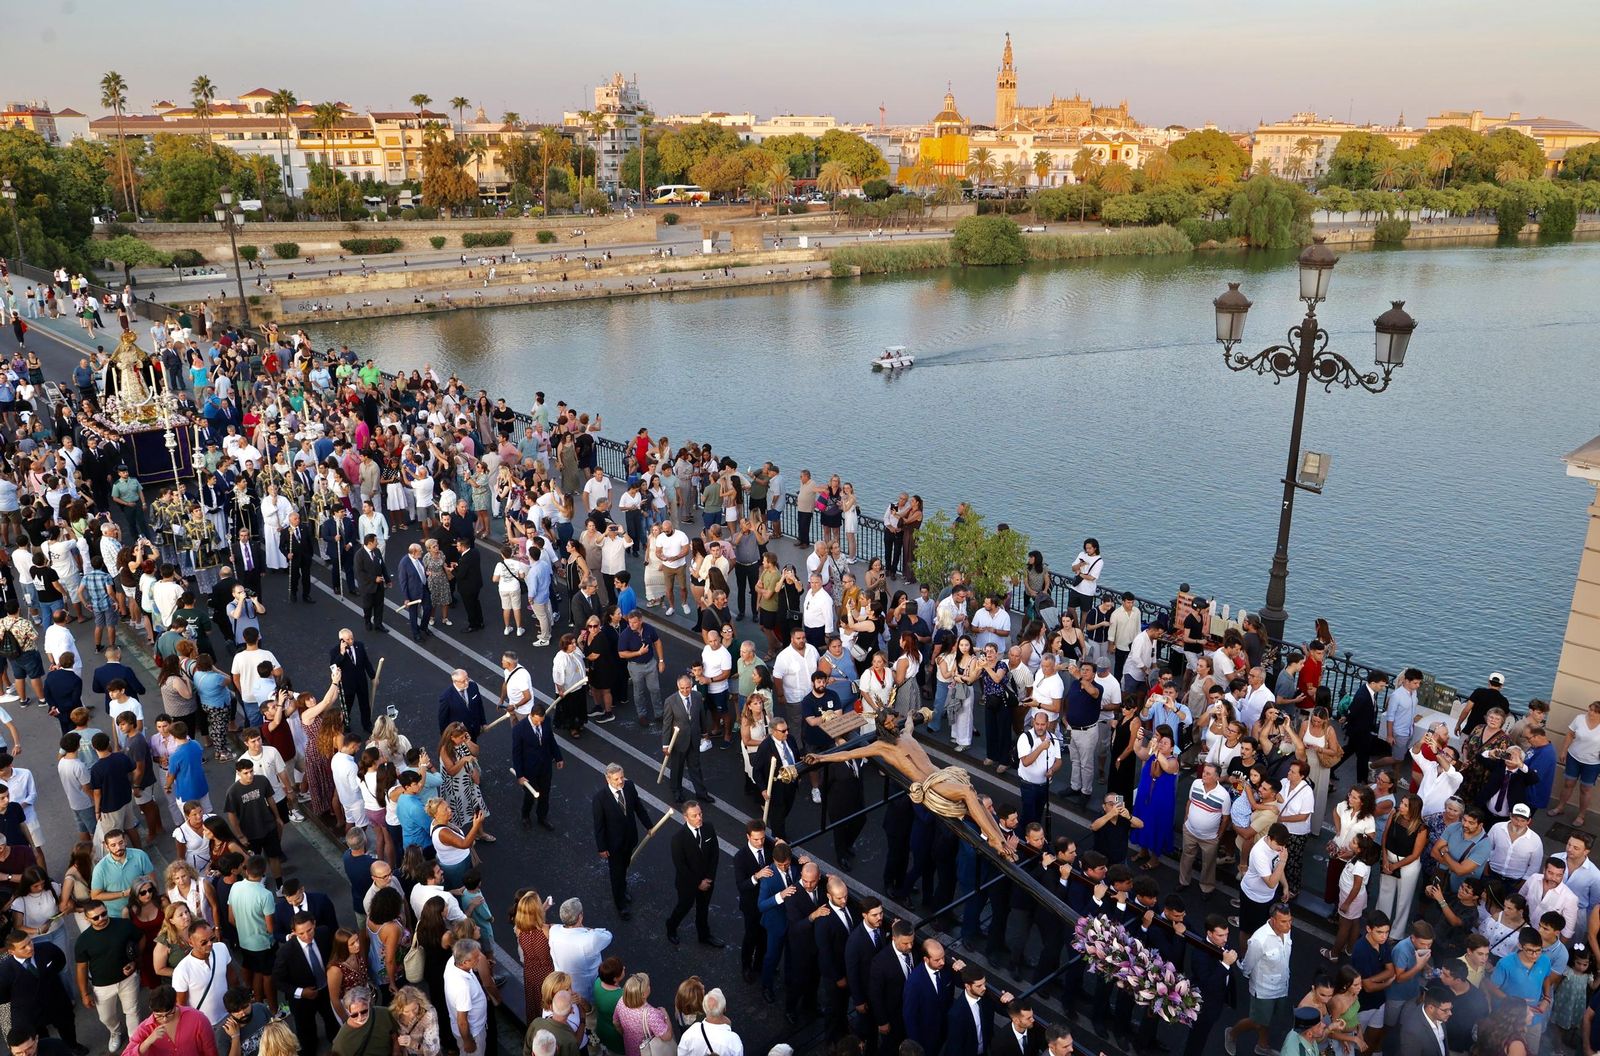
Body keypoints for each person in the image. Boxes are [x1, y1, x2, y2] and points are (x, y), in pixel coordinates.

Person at [74, 898, 142, 1053]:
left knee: (132, 1011)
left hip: (128, 979)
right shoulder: (83, 941)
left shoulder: (124, 925)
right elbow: (81, 968)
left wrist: (135, 962)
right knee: (106, 1017)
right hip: (102, 986)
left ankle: (135, 1042)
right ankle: (115, 1032)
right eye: (96, 917)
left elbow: (140, 939)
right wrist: (85, 993)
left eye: (104, 914)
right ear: (87, 919)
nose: (101, 919)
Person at [1227, 903, 1295, 1056]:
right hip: (1264, 990)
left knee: (1267, 1018)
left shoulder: (1286, 931)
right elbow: (1247, 966)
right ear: (1272, 920)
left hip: (1282, 986)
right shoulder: (1259, 940)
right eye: (1284, 922)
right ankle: (1232, 1034)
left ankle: (1262, 1045)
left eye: (1290, 920)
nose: (1288, 925)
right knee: (1257, 1021)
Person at [273, 911, 339, 1055]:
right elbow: (278, 980)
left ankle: (338, 1045)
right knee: (306, 1032)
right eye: (301, 933)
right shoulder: (285, 952)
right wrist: (301, 992)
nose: (307, 936)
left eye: (309, 930)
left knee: (332, 1020)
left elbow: (334, 953)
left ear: (314, 924)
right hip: (302, 1000)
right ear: (294, 932)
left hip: (326, 990)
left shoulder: (324, 934)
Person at [666, 801, 724, 948]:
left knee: (703, 909)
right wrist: (699, 883)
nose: (699, 818)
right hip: (687, 884)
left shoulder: (709, 828)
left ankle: (704, 935)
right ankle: (671, 927)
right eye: (694, 816)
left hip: (707, 880)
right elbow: (681, 866)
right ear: (686, 817)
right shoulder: (677, 839)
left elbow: (714, 855)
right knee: (684, 907)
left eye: (700, 814)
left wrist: (709, 878)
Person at [124, 984, 220, 1056]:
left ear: (175, 1003)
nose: (165, 1019)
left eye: (169, 1014)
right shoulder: (145, 1029)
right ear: (151, 1009)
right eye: (159, 1015)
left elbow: (210, 1049)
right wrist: (147, 1041)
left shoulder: (198, 1018)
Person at [512, 702, 564, 830]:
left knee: (545, 793)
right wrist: (520, 775)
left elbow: (551, 740)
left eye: (541, 721)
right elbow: (516, 754)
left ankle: (542, 817)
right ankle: (525, 816)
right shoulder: (519, 729)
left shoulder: (546, 721)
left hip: (545, 766)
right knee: (530, 795)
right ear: (531, 715)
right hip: (529, 769)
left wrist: (558, 757)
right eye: (536, 721)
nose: (539, 724)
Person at [549, 897, 612, 997]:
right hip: (587, 989)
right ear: (580, 916)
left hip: (563, 987)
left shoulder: (553, 931)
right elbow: (608, 936)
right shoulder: (590, 938)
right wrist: (585, 928)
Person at [444, 939, 490, 1055]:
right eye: (476, 958)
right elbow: (462, 1021)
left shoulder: (452, 961)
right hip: (473, 1033)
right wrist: (468, 1041)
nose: (479, 959)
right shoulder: (462, 987)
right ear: (464, 962)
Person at [332, 986, 399, 1056]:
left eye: (364, 1011)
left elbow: (394, 1033)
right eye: (354, 1015)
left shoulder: (384, 1012)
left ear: (369, 1003)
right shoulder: (341, 1041)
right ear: (348, 1012)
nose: (360, 1017)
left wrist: (396, 1051)